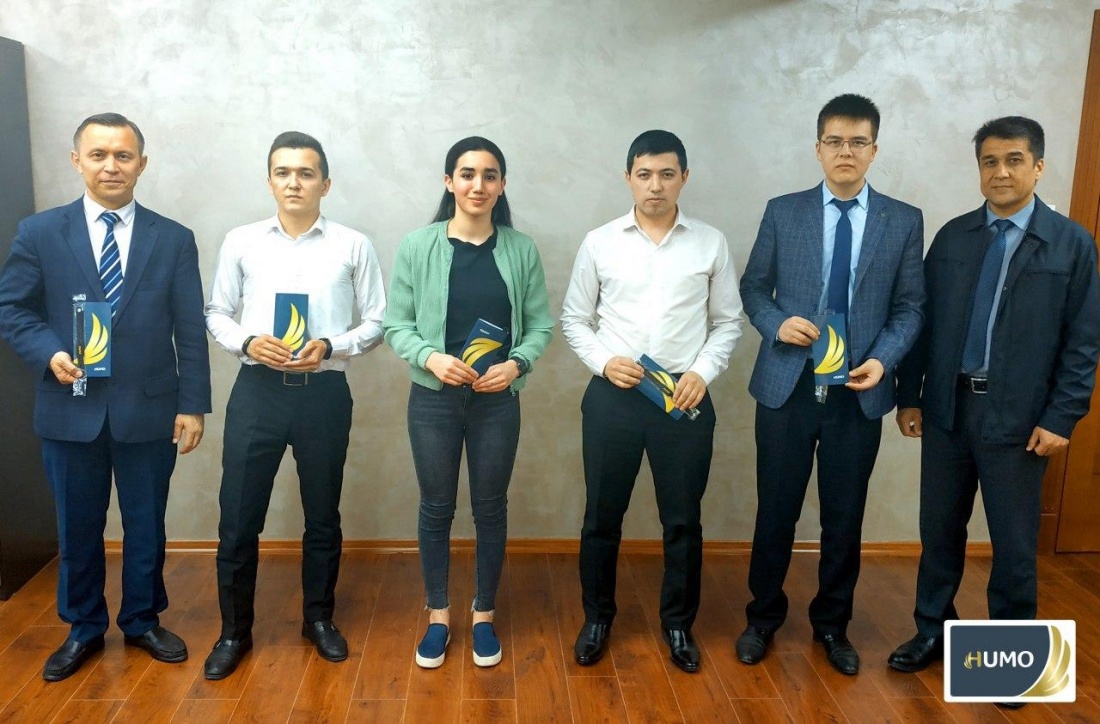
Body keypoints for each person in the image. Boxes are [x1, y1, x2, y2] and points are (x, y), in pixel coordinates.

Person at [0, 113, 211, 681]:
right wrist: (48, 352)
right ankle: (83, 627)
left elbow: (190, 329)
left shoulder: (173, 237)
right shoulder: (40, 232)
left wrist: (192, 404)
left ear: (142, 163)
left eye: (123, 155)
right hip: (69, 408)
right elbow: (12, 308)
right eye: (98, 155)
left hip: (150, 408)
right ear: (78, 161)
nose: (111, 166)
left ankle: (142, 620)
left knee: (146, 525)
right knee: (77, 528)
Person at [888, 117, 1100, 679]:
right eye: (989, 161)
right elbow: (921, 323)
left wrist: (1062, 417)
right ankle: (932, 630)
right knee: (939, 531)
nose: (1000, 172)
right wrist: (910, 396)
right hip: (948, 410)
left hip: (1020, 419)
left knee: (1012, 544)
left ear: (1038, 166)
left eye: (1013, 160)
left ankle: (1010, 665)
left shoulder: (1071, 244)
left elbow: (1084, 343)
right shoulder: (953, 237)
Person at [737, 94, 924, 675]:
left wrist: (884, 360)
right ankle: (762, 619)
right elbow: (753, 288)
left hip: (857, 390)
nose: (846, 151)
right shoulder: (783, 211)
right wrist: (776, 323)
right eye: (835, 141)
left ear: (874, 149)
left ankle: (832, 626)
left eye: (858, 142)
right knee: (776, 510)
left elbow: (910, 307)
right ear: (818, 148)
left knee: (844, 517)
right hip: (787, 385)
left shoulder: (903, 220)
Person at [202, 131, 386, 679]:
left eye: (306, 173)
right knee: (238, 519)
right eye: (283, 172)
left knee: (323, 516)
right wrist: (246, 342)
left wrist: (332, 345)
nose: (294, 182)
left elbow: (378, 321)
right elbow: (216, 312)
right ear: (269, 181)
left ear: (325, 184)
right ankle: (234, 631)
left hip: (323, 395)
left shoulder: (353, 244)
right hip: (257, 392)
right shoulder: (241, 241)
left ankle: (318, 619)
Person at [561, 129, 743, 673]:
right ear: (628, 178)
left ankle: (678, 624)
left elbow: (728, 321)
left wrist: (703, 372)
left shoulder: (710, 243)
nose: (655, 185)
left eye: (667, 174)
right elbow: (574, 318)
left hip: (682, 397)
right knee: (601, 516)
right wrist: (603, 361)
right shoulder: (600, 242)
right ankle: (597, 619)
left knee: (682, 519)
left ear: (684, 177)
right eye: (644, 174)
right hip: (614, 395)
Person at [383, 136, 552, 669]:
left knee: (490, 508)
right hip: (433, 400)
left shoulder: (520, 249)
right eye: (467, 173)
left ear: (502, 185)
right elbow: (396, 324)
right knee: (436, 507)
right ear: (449, 181)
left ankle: (483, 615)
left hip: (496, 402)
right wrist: (431, 358)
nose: (478, 185)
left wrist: (516, 364)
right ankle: (438, 615)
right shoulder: (418, 246)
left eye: (489, 175)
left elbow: (541, 326)